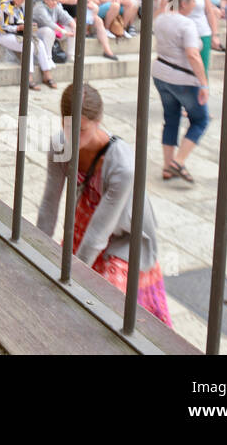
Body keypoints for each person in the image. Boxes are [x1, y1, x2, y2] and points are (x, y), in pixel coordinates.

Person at [37, 84, 173, 327]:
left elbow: (99, 234)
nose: (75, 138)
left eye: (83, 129)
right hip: (85, 229)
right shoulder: (60, 145)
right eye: (69, 128)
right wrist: (35, 249)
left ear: (98, 120)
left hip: (124, 241)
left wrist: (73, 278)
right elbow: (49, 204)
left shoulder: (121, 164)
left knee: (104, 313)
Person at [152, 0, 212, 183]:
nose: (195, 3)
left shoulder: (160, 19)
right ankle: (178, 161)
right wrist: (203, 84)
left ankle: (167, 165)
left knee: (171, 117)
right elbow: (193, 54)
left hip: (161, 72)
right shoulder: (187, 24)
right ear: (184, 3)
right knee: (201, 119)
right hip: (182, 77)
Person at [0, 0, 55, 89]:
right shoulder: (4, 6)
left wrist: (29, 25)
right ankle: (28, 77)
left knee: (39, 43)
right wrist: (18, 27)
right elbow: (2, 26)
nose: (23, 1)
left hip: (19, 33)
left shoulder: (21, 5)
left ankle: (47, 74)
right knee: (29, 45)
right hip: (3, 35)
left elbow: (21, 20)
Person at [172, 0, 220, 72]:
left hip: (202, 31)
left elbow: (209, 11)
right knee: (182, 70)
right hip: (181, 33)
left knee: (202, 69)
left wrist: (214, 35)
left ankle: (203, 89)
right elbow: (171, 13)